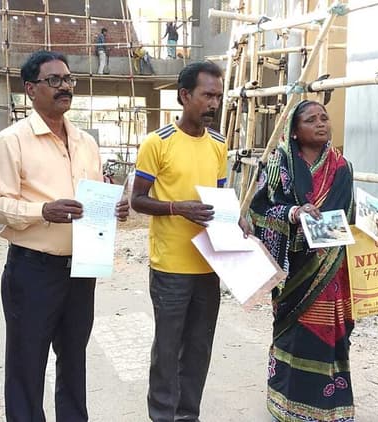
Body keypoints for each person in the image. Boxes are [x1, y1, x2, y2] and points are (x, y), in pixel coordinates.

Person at [0, 50, 129, 422]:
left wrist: (114, 208)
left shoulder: (85, 142)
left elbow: (93, 197)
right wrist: (42, 211)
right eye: (54, 80)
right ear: (31, 89)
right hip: (33, 271)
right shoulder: (12, 141)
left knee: (74, 359)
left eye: (68, 79)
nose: (65, 87)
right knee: (27, 364)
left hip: (81, 269)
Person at [248, 100, 378, 422]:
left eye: (324, 118)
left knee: (331, 332)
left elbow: (349, 211)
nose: (321, 123)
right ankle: (286, 404)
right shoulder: (280, 164)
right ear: (294, 131)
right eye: (311, 120)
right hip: (296, 268)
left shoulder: (342, 166)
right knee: (297, 333)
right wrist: (294, 213)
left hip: (333, 268)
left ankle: (331, 407)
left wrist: (372, 221)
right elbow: (260, 210)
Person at [131, 61, 249, 422]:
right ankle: (162, 416)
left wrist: (236, 217)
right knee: (167, 350)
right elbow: (137, 200)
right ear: (184, 96)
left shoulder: (218, 144)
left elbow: (219, 195)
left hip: (209, 263)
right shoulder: (157, 143)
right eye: (207, 95)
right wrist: (176, 208)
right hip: (170, 266)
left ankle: (187, 416)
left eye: (218, 96)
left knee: (198, 348)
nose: (214, 103)